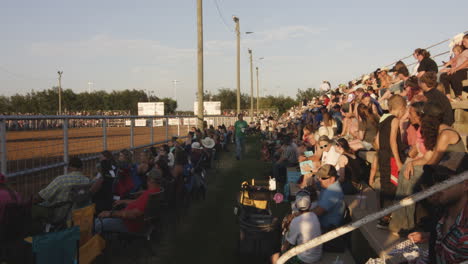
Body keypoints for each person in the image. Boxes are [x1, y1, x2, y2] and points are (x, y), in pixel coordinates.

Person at [408, 165, 467, 264]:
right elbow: (435, 254)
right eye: (436, 179)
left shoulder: (464, 232)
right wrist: (429, 235)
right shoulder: (442, 213)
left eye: (444, 180)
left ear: (466, 185)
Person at [94, 169, 163, 234]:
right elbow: (137, 202)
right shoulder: (156, 191)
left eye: (147, 178)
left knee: (98, 224)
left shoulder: (148, 195)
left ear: (150, 180)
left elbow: (133, 215)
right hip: (136, 222)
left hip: (129, 224)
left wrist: (110, 213)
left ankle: (94, 243)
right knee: (98, 220)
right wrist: (123, 201)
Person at [375, 95, 407, 229]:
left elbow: (376, 140)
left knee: (385, 184)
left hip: (383, 156)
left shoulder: (383, 119)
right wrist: (398, 161)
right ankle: (385, 219)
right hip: (392, 158)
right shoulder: (394, 120)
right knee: (392, 187)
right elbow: (393, 141)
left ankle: (383, 214)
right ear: (401, 108)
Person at [271, 193, 322, 264]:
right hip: (317, 256)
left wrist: (281, 250)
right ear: (310, 205)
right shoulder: (314, 216)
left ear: (296, 205)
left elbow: (287, 244)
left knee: (277, 248)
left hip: (304, 259)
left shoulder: (296, 221)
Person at [36, 157, 90, 221]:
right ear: (81, 168)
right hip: (79, 215)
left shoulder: (61, 180)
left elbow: (42, 196)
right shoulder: (87, 181)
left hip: (58, 216)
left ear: (68, 167)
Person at [311, 164, 345, 230]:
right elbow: (314, 185)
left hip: (326, 228)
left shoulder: (333, 191)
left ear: (332, 179)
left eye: (323, 177)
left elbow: (317, 212)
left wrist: (298, 215)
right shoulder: (327, 184)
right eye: (319, 176)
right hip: (320, 222)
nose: (320, 179)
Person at [441, 34, 468, 101]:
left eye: (464, 41)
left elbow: (467, 62)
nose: (463, 44)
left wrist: (456, 69)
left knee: (454, 75)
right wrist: (447, 67)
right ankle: (448, 96)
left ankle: (459, 96)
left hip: (465, 70)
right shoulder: (464, 51)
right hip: (459, 69)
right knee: (443, 76)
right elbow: (454, 59)